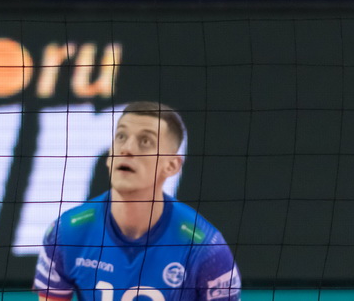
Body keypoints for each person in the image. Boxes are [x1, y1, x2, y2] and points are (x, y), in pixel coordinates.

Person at [34, 102, 241, 301]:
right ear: (109, 156)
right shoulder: (66, 233)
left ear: (172, 166)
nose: (127, 149)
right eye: (121, 136)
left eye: (145, 141)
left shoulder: (205, 248)